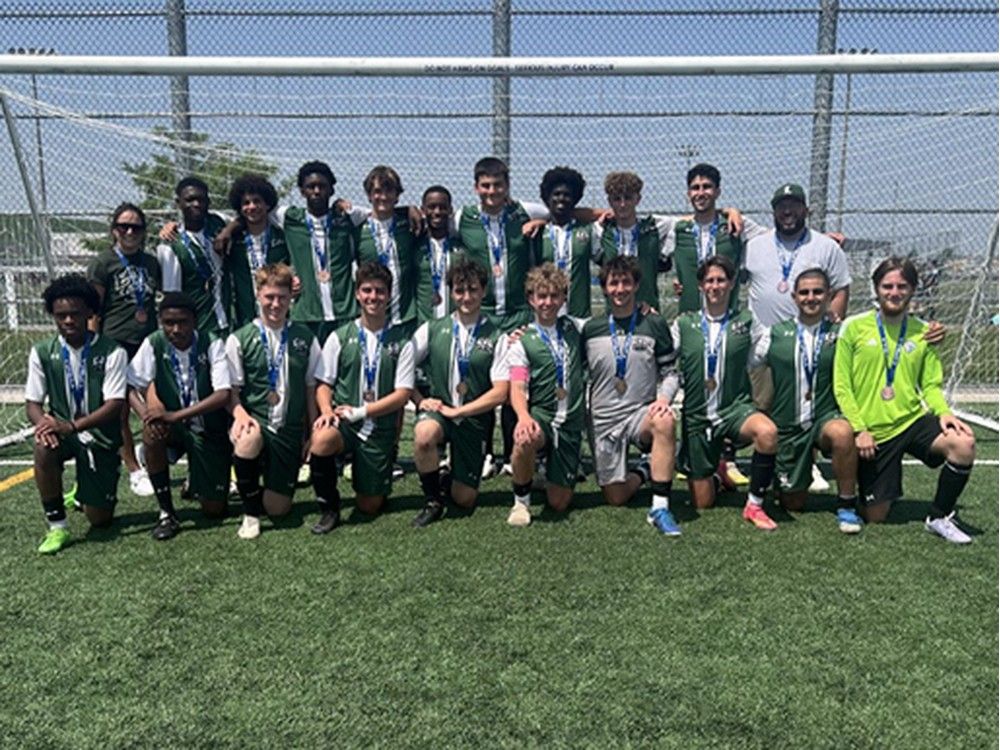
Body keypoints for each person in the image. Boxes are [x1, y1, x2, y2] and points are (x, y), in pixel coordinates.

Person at [834, 257, 976, 543]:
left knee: (963, 443)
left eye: (902, 286)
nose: (894, 292)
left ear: (912, 290)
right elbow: (842, 386)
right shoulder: (853, 327)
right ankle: (879, 488)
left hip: (910, 421)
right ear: (876, 288)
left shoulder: (925, 332)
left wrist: (943, 412)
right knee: (876, 516)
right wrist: (860, 428)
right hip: (874, 432)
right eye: (887, 286)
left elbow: (930, 384)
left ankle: (938, 516)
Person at [664, 256, 780, 530]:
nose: (715, 286)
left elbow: (760, 355)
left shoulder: (747, 322)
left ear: (730, 284)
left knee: (767, 432)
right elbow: (666, 360)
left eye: (720, 280)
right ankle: (718, 476)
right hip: (697, 415)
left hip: (734, 409)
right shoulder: (684, 323)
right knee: (703, 502)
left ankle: (754, 504)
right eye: (709, 280)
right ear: (701, 286)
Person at [749, 268, 862, 533]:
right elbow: (748, 363)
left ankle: (847, 504)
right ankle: (797, 475)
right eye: (805, 292)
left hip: (824, 419)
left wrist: (927, 332)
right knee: (792, 504)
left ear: (829, 296)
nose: (811, 298)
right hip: (788, 426)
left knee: (842, 432)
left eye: (818, 292)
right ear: (794, 297)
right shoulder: (774, 334)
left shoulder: (842, 332)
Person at [310, 262, 415, 532]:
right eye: (367, 290)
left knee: (369, 506)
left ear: (389, 295)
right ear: (357, 293)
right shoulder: (340, 336)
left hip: (378, 428)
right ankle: (329, 509)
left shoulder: (402, 340)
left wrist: (362, 411)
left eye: (380, 291)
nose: (373, 297)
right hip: (344, 423)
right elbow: (323, 383)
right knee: (321, 440)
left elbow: (403, 394)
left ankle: (373, 478)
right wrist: (326, 411)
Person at [26, 274, 128, 554]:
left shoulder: (112, 351)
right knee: (43, 447)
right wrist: (43, 426)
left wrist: (71, 426)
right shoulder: (42, 352)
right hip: (62, 433)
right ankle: (57, 527)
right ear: (53, 316)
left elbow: (115, 405)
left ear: (89, 313)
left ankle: (85, 492)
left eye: (74, 314)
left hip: (98, 436)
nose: (68, 321)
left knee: (100, 521)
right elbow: (32, 403)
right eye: (61, 315)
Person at [582, 256, 679, 534]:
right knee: (616, 497)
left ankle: (660, 507)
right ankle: (646, 470)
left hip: (640, 414)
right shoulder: (591, 329)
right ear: (604, 288)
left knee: (665, 421)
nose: (620, 289)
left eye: (626, 282)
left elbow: (671, 372)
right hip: (605, 420)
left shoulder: (654, 323)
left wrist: (662, 400)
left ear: (636, 285)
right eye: (614, 283)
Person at [410, 258, 509, 526]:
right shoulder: (432, 328)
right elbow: (403, 367)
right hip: (441, 412)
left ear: (484, 291)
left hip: (473, 419)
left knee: (464, 499)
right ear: (451, 292)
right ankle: (432, 500)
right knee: (423, 435)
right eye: (460, 290)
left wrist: (460, 411)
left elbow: (500, 392)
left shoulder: (497, 334)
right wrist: (420, 400)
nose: (466, 297)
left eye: (473, 289)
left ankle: (445, 477)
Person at [226, 263, 321, 540]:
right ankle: (250, 514)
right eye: (269, 297)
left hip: (288, 431)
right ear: (258, 295)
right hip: (257, 421)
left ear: (291, 297)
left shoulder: (305, 338)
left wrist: (312, 432)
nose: (275, 304)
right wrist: (240, 415)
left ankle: (264, 485)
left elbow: (311, 389)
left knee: (278, 509)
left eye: (282, 297)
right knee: (249, 438)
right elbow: (231, 394)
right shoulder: (240, 339)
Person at [127, 292, 233, 540]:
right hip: (170, 429)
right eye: (168, 323)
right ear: (160, 322)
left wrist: (175, 415)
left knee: (214, 511)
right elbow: (130, 385)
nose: (175, 329)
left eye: (182, 322)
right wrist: (146, 415)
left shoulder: (212, 342)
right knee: (151, 434)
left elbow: (222, 395)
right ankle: (166, 512)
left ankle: (196, 480)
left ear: (194, 321)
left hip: (206, 427)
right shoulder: (154, 343)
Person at [87, 202, 160, 497]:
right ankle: (133, 468)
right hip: (115, 342)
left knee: (156, 402)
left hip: (146, 341)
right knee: (120, 408)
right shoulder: (103, 263)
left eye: (136, 227)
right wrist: (94, 346)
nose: (129, 232)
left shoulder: (152, 262)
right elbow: (93, 309)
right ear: (114, 229)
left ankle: (150, 454)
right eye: (123, 226)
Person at [505, 263, 586, 526]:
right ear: (531, 299)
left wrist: (644, 310)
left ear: (563, 298)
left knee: (559, 503)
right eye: (542, 296)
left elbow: (613, 322)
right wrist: (523, 416)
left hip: (571, 423)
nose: (548, 302)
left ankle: (542, 472)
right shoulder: (522, 340)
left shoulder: (578, 328)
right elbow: (517, 386)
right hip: (543, 415)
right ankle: (521, 501)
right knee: (524, 437)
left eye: (554, 296)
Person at [594, 170, 743, 311]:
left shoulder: (656, 226)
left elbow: (701, 217)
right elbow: (577, 214)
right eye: (616, 199)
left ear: (638, 199)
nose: (622, 204)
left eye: (627, 198)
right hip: (612, 313)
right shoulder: (601, 230)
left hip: (648, 312)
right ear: (609, 201)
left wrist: (730, 211)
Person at [742, 183, 851, 328]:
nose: (787, 211)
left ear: (806, 211)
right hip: (762, 340)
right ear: (773, 212)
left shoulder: (827, 247)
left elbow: (840, 289)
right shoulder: (753, 246)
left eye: (794, 206)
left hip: (808, 338)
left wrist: (829, 333)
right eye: (781, 207)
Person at [669, 163, 764, 314]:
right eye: (695, 188)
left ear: (717, 192)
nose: (700, 193)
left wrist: (731, 211)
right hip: (690, 319)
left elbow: (772, 236)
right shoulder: (678, 228)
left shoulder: (736, 223)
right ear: (688, 194)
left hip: (729, 318)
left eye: (706, 187)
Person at [156, 177, 232, 336]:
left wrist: (227, 232)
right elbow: (173, 296)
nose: (196, 204)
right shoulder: (171, 245)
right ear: (178, 203)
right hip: (200, 326)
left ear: (208, 202)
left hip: (230, 320)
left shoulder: (218, 222)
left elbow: (242, 220)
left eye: (201, 199)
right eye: (190, 200)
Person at [530, 166, 599, 318]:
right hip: (545, 314)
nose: (561, 198)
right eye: (556, 194)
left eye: (567, 195)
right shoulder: (537, 233)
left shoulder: (588, 230)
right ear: (547, 198)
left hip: (579, 315)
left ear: (575, 199)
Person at [356, 166, 420, 331]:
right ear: (369, 195)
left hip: (405, 317)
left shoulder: (410, 225)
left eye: (389, 191)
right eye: (377, 191)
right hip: (371, 319)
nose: (383, 197)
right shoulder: (357, 229)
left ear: (397, 196)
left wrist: (410, 209)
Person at [226, 173, 290, 328]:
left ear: (267, 204)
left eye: (257, 201)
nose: (252, 207)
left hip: (280, 313)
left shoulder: (282, 234)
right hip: (246, 316)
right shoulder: (233, 239)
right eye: (246, 203)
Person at [415, 185, 464, 322]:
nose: (437, 212)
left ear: (450, 210)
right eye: (431, 207)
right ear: (423, 210)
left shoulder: (461, 245)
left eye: (442, 207)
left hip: (455, 323)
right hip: (422, 324)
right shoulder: (414, 244)